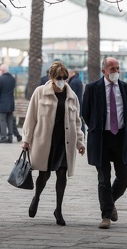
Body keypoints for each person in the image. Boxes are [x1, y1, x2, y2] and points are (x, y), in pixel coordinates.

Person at [21, 61, 85, 226]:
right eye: (59, 77)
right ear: (52, 77)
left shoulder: (72, 97)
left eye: (64, 77)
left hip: (65, 142)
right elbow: (31, 117)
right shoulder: (40, 92)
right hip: (45, 141)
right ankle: (37, 197)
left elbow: (77, 122)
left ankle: (58, 209)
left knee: (62, 175)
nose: (62, 80)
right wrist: (26, 140)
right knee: (44, 174)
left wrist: (80, 142)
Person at [82, 57, 127, 229]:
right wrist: (96, 128)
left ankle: (109, 202)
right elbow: (86, 112)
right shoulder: (92, 88)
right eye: (112, 68)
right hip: (101, 139)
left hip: (121, 138)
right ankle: (106, 216)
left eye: (118, 68)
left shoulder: (126, 88)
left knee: (124, 177)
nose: (115, 71)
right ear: (104, 71)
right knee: (104, 179)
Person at [0, 63, 22, 142]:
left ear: (2, 71)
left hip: (1, 104)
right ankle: (10, 138)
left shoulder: (0, 79)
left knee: (2, 121)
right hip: (10, 103)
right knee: (10, 121)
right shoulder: (12, 79)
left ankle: (3, 137)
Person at [68, 69, 85, 135]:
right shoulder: (78, 80)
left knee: (78, 120)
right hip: (79, 103)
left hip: (75, 104)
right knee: (80, 120)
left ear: (71, 73)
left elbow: (71, 95)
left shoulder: (73, 82)